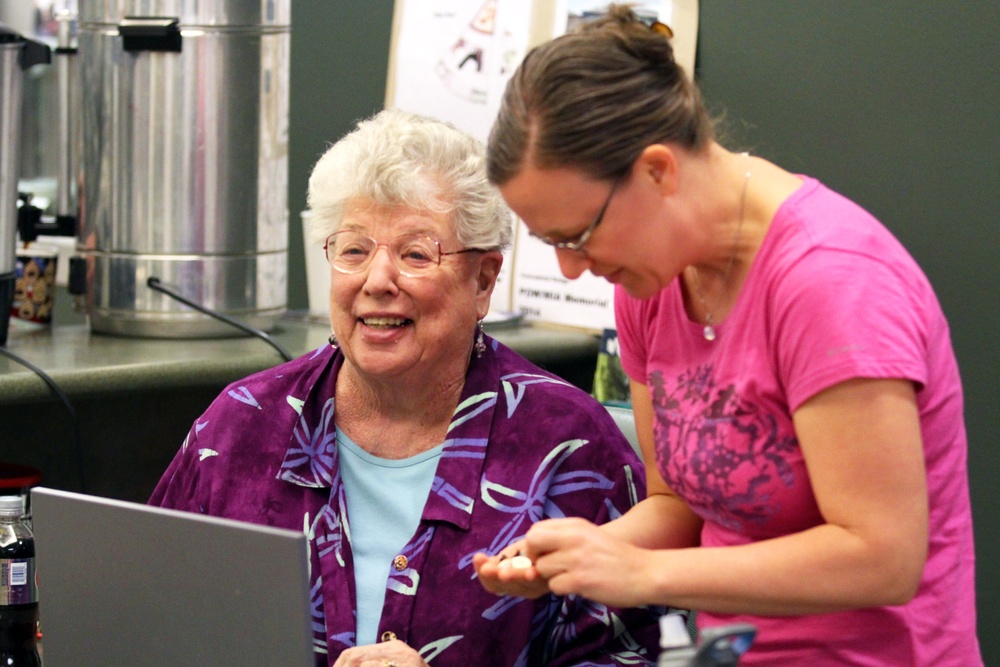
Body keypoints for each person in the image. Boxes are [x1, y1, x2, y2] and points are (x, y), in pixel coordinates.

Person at [472, 6, 982, 666]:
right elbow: (676, 503)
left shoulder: (831, 281)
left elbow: (882, 555)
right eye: (551, 244)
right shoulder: (648, 288)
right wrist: (593, 550)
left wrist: (644, 575)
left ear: (658, 171)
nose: (573, 267)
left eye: (578, 235)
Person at [150, 108, 660, 667]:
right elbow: (150, 621)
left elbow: (629, 654)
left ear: (483, 280)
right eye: (353, 250)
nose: (376, 281)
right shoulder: (241, 427)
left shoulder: (567, 446)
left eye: (416, 254)